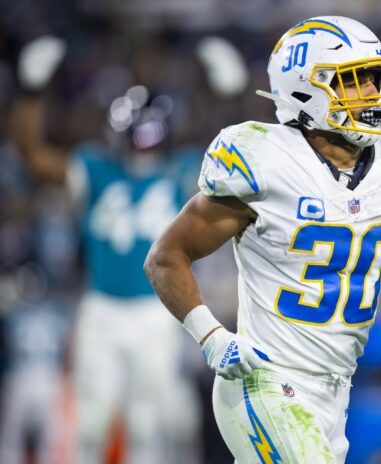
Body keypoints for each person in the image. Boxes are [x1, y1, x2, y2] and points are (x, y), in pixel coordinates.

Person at [144, 16, 381, 463]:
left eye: (375, 77)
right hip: (265, 382)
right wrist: (211, 336)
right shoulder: (266, 160)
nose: (374, 92)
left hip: (337, 390)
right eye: (356, 79)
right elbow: (166, 256)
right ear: (307, 89)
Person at [10, 34, 226, 464]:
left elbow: (229, 160)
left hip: (155, 312)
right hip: (103, 310)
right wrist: (31, 91)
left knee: (150, 427)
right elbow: (31, 153)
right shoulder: (93, 167)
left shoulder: (180, 169)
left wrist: (226, 93)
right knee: (90, 423)